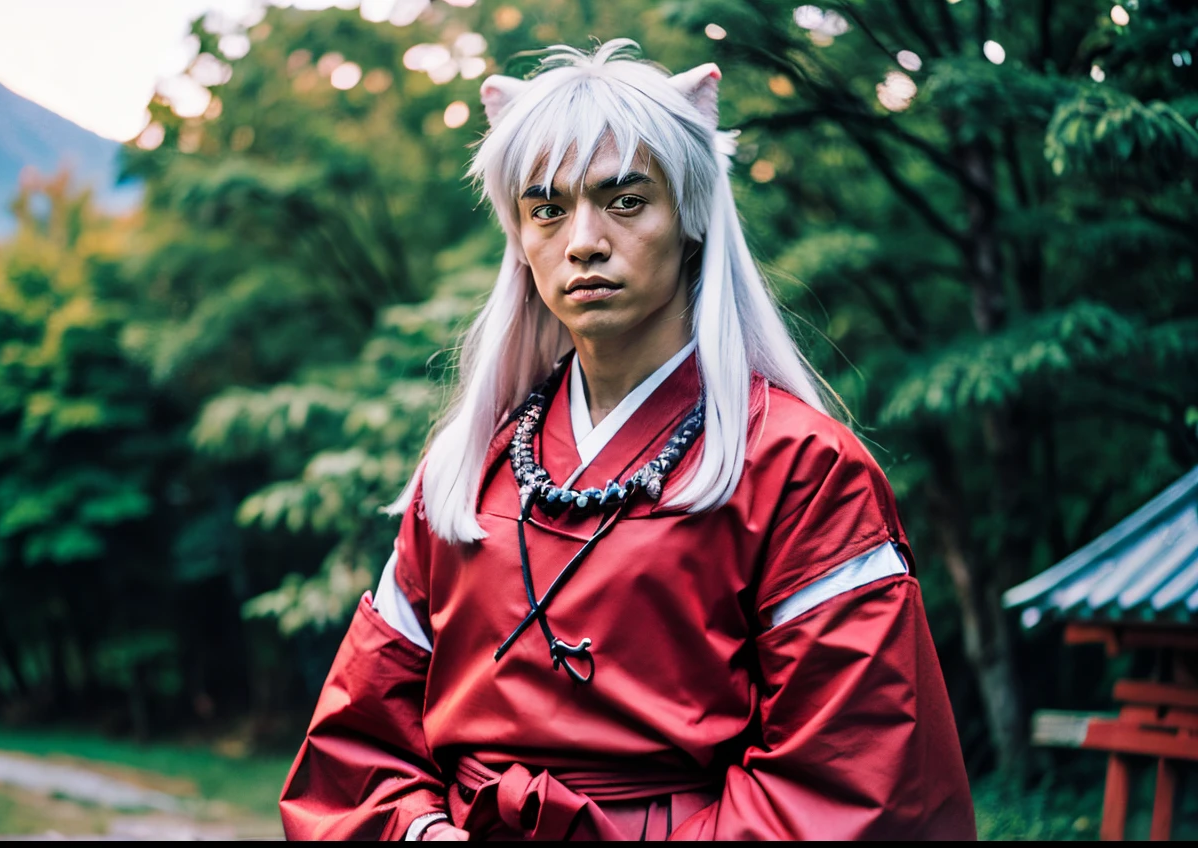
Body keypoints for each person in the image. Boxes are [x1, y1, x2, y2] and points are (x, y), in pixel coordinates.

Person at [278, 39, 975, 841]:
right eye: (547, 208)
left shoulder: (800, 469)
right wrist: (422, 833)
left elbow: (852, 777)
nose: (582, 240)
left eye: (626, 200)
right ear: (520, 237)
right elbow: (358, 743)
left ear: (692, 220)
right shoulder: (463, 472)